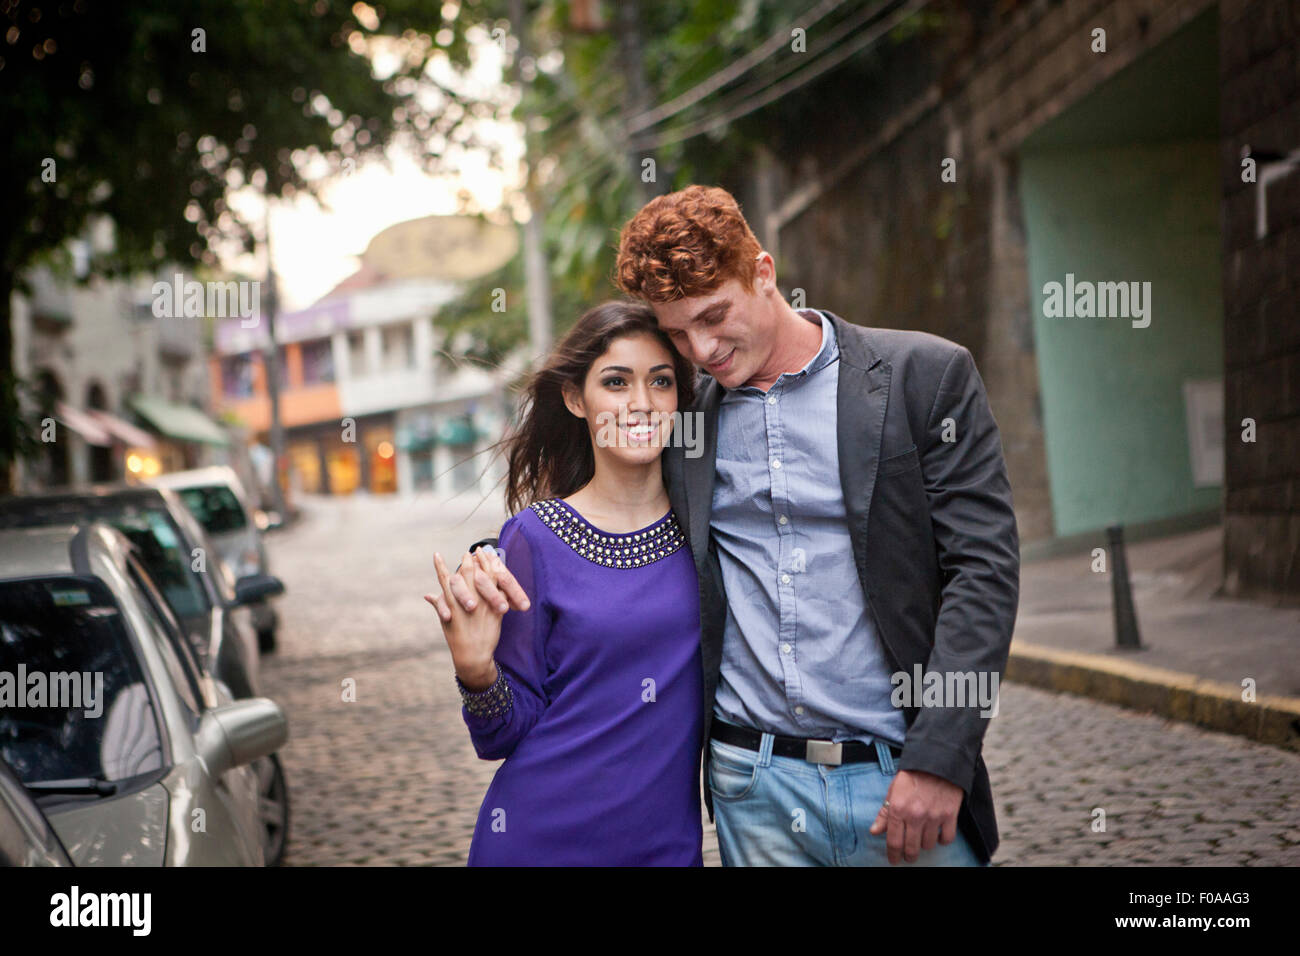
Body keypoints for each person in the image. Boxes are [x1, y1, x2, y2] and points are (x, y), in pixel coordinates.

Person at [451, 185, 1021, 868]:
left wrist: (942, 756)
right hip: (754, 790)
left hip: (901, 780)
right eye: (681, 334)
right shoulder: (694, 422)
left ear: (765, 272)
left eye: (715, 317)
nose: (704, 348)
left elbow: (983, 571)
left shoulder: (922, 378)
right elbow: (603, 525)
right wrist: (489, 560)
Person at [425, 300, 704, 866]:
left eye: (661, 381)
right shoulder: (534, 539)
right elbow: (500, 736)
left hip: (665, 846)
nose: (641, 403)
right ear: (576, 399)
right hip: (539, 840)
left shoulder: (708, 530)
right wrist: (477, 674)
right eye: (616, 382)